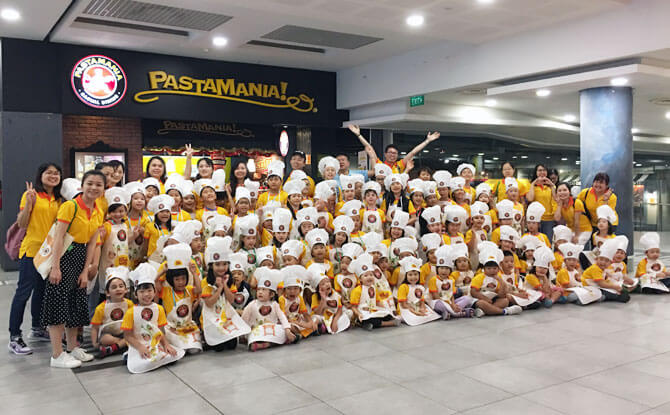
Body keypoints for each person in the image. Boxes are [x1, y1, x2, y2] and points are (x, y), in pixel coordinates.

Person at [42, 170, 106, 368]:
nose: (94, 188)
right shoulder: (70, 206)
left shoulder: (98, 210)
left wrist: (85, 271)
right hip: (63, 255)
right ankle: (57, 354)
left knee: (75, 304)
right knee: (58, 303)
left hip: (80, 258)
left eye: (98, 184)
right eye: (90, 183)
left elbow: (92, 242)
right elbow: (59, 237)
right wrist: (55, 267)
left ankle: (72, 347)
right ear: (83, 185)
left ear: (103, 189)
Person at [8, 163, 63, 355]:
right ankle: (14, 337)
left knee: (41, 292)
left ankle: (38, 328)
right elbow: (22, 223)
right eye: (49, 173)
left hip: (49, 254)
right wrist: (29, 204)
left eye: (56, 173)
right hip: (31, 251)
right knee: (23, 292)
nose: (53, 176)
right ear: (40, 175)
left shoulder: (59, 200)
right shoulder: (31, 195)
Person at [347, 124, 441, 175]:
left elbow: (413, 152)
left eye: (395, 153)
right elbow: (370, 148)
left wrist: (427, 141)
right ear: (385, 154)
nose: (392, 155)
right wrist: (359, 135)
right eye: (390, 153)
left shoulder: (400, 165)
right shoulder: (379, 164)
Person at [526, 164, 557, 241]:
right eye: (540, 170)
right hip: (535, 220)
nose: (542, 172)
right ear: (536, 172)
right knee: (535, 242)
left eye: (544, 170)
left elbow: (556, 199)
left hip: (549, 219)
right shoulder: (530, 186)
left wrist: (552, 185)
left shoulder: (551, 187)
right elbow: (530, 198)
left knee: (547, 242)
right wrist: (533, 184)